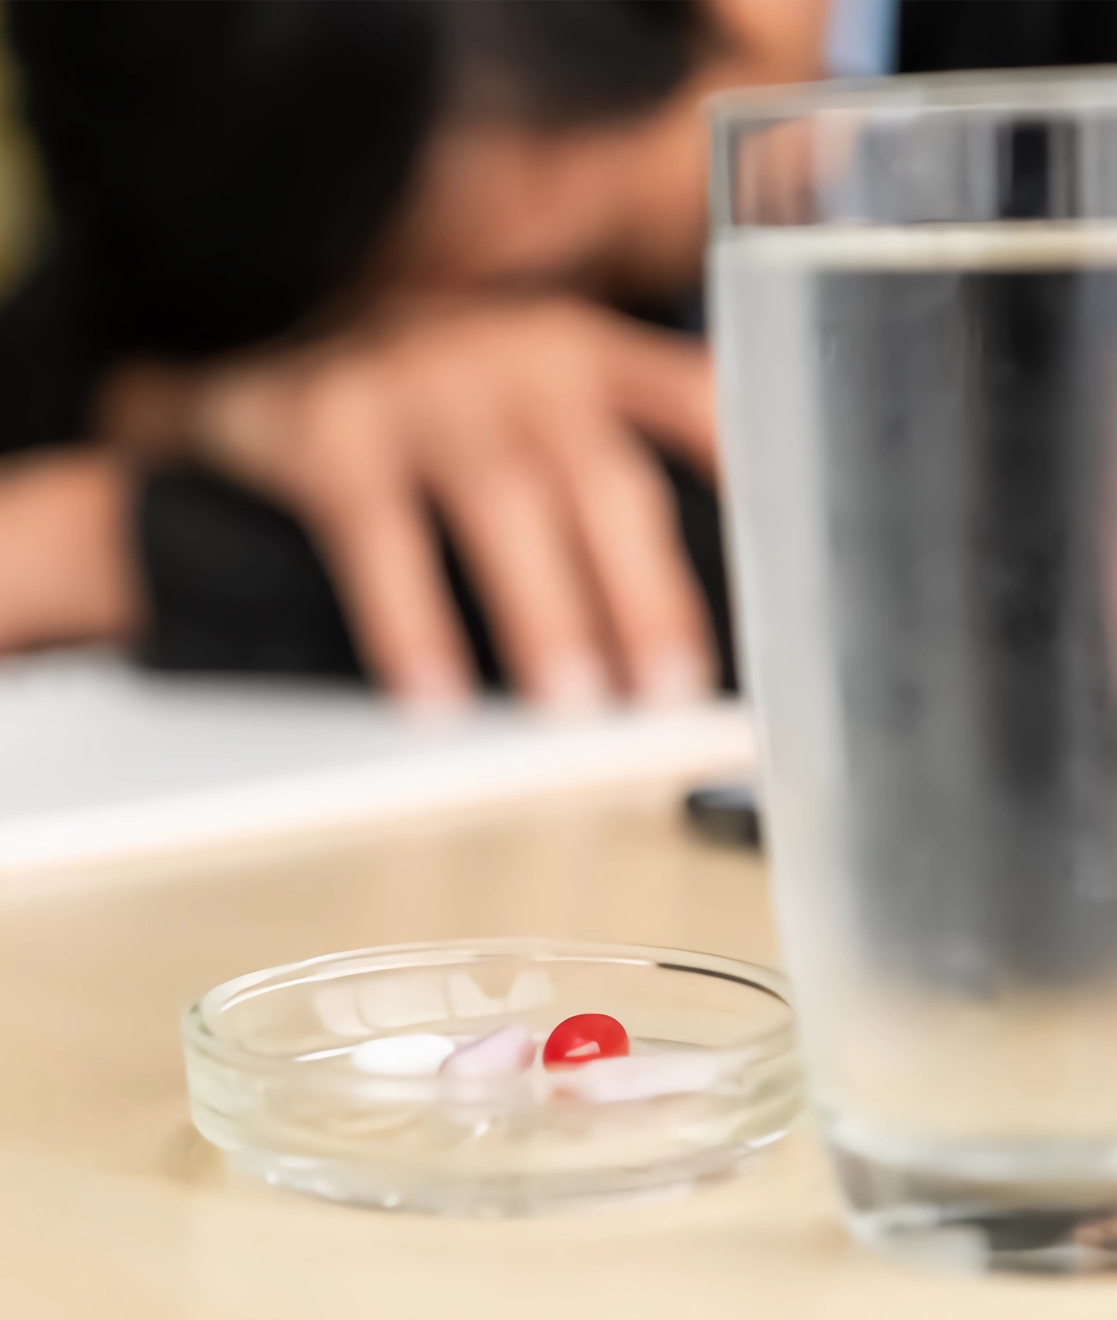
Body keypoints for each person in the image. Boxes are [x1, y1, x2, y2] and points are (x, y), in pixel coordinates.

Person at [2, 1, 1115, 699]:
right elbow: (83, 350)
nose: (502, 352)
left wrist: (132, 542)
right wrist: (215, 405)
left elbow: (1024, 552)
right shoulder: (247, 92)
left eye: (565, 281)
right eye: (370, 326)